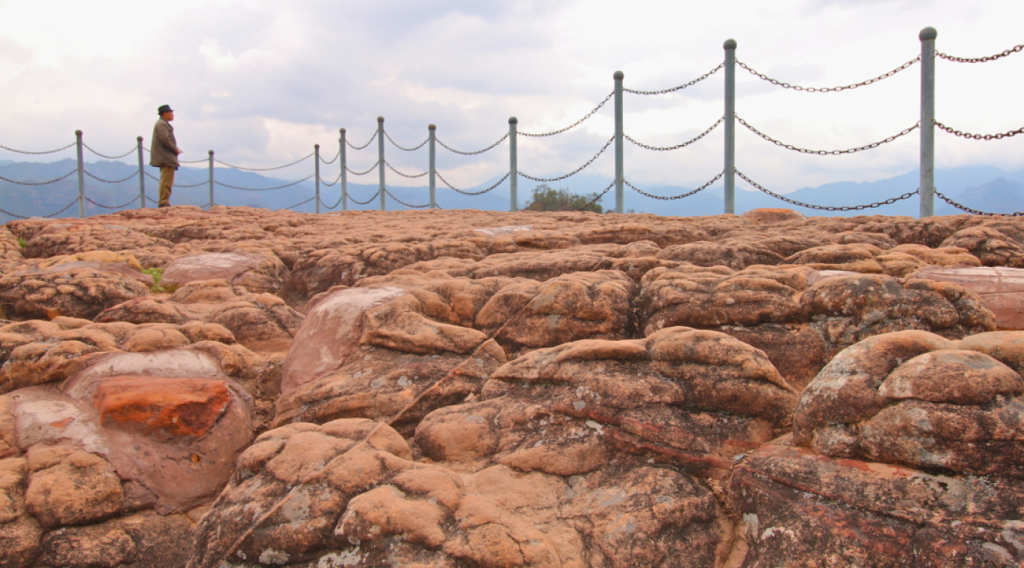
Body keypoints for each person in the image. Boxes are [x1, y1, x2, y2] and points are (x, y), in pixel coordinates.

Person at [150, 104, 182, 207]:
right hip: (166, 156)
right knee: (167, 180)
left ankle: (164, 200)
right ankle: (164, 202)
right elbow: (165, 140)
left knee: (166, 179)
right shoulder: (162, 124)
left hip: (164, 156)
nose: (173, 115)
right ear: (165, 113)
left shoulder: (162, 124)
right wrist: (175, 149)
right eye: (171, 112)